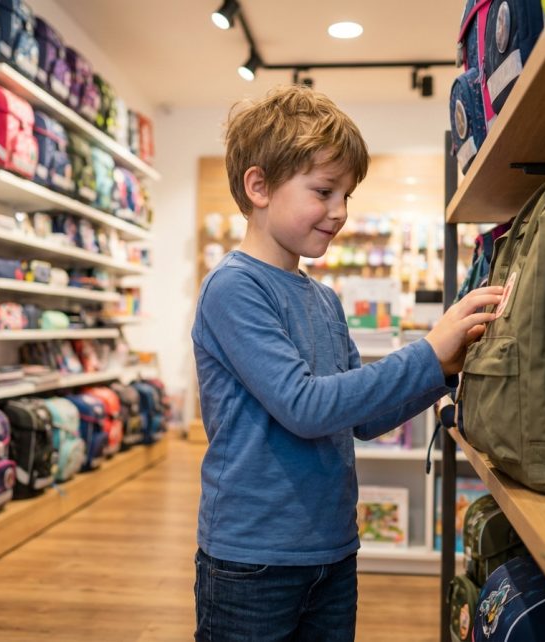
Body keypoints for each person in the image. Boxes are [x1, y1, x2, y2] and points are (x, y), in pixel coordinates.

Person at [191, 85, 502, 642]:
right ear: (258, 187)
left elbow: (365, 419)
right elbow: (305, 407)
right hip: (253, 558)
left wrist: (445, 369)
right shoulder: (233, 288)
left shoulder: (324, 299)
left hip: (333, 548)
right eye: (323, 191)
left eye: (346, 195)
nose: (340, 212)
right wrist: (428, 351)